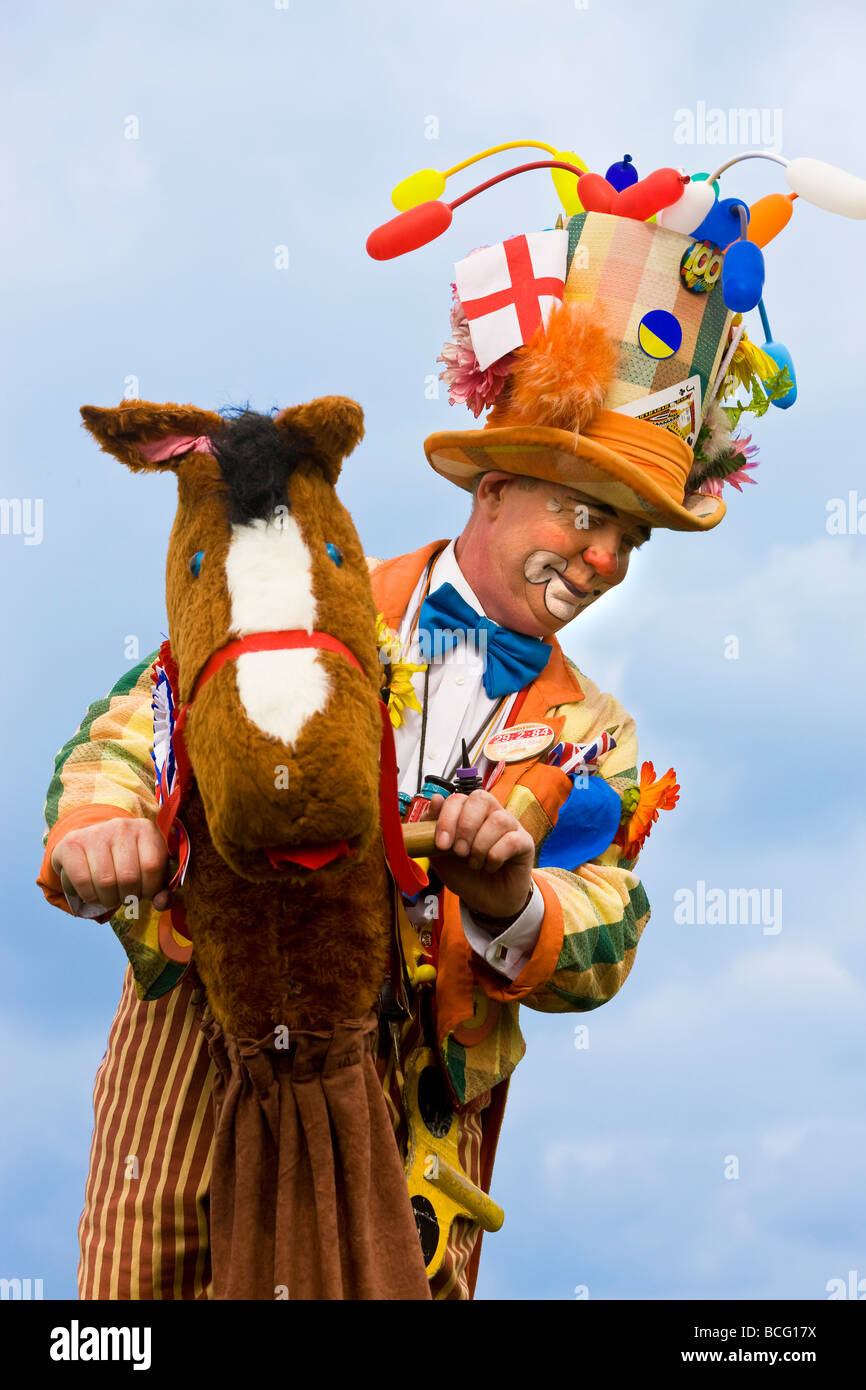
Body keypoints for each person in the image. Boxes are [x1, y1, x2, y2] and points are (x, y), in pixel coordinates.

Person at [38, 157, 769, 1299]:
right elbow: (145, 723)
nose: (603, 558)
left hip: (409, 1112)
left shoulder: (593, 731)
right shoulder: (309, 593)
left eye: (630, 538)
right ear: (489, 488)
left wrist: (509, 897)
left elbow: (605, 927)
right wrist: (99, 828)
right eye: (585, 515)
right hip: (201, 1056)